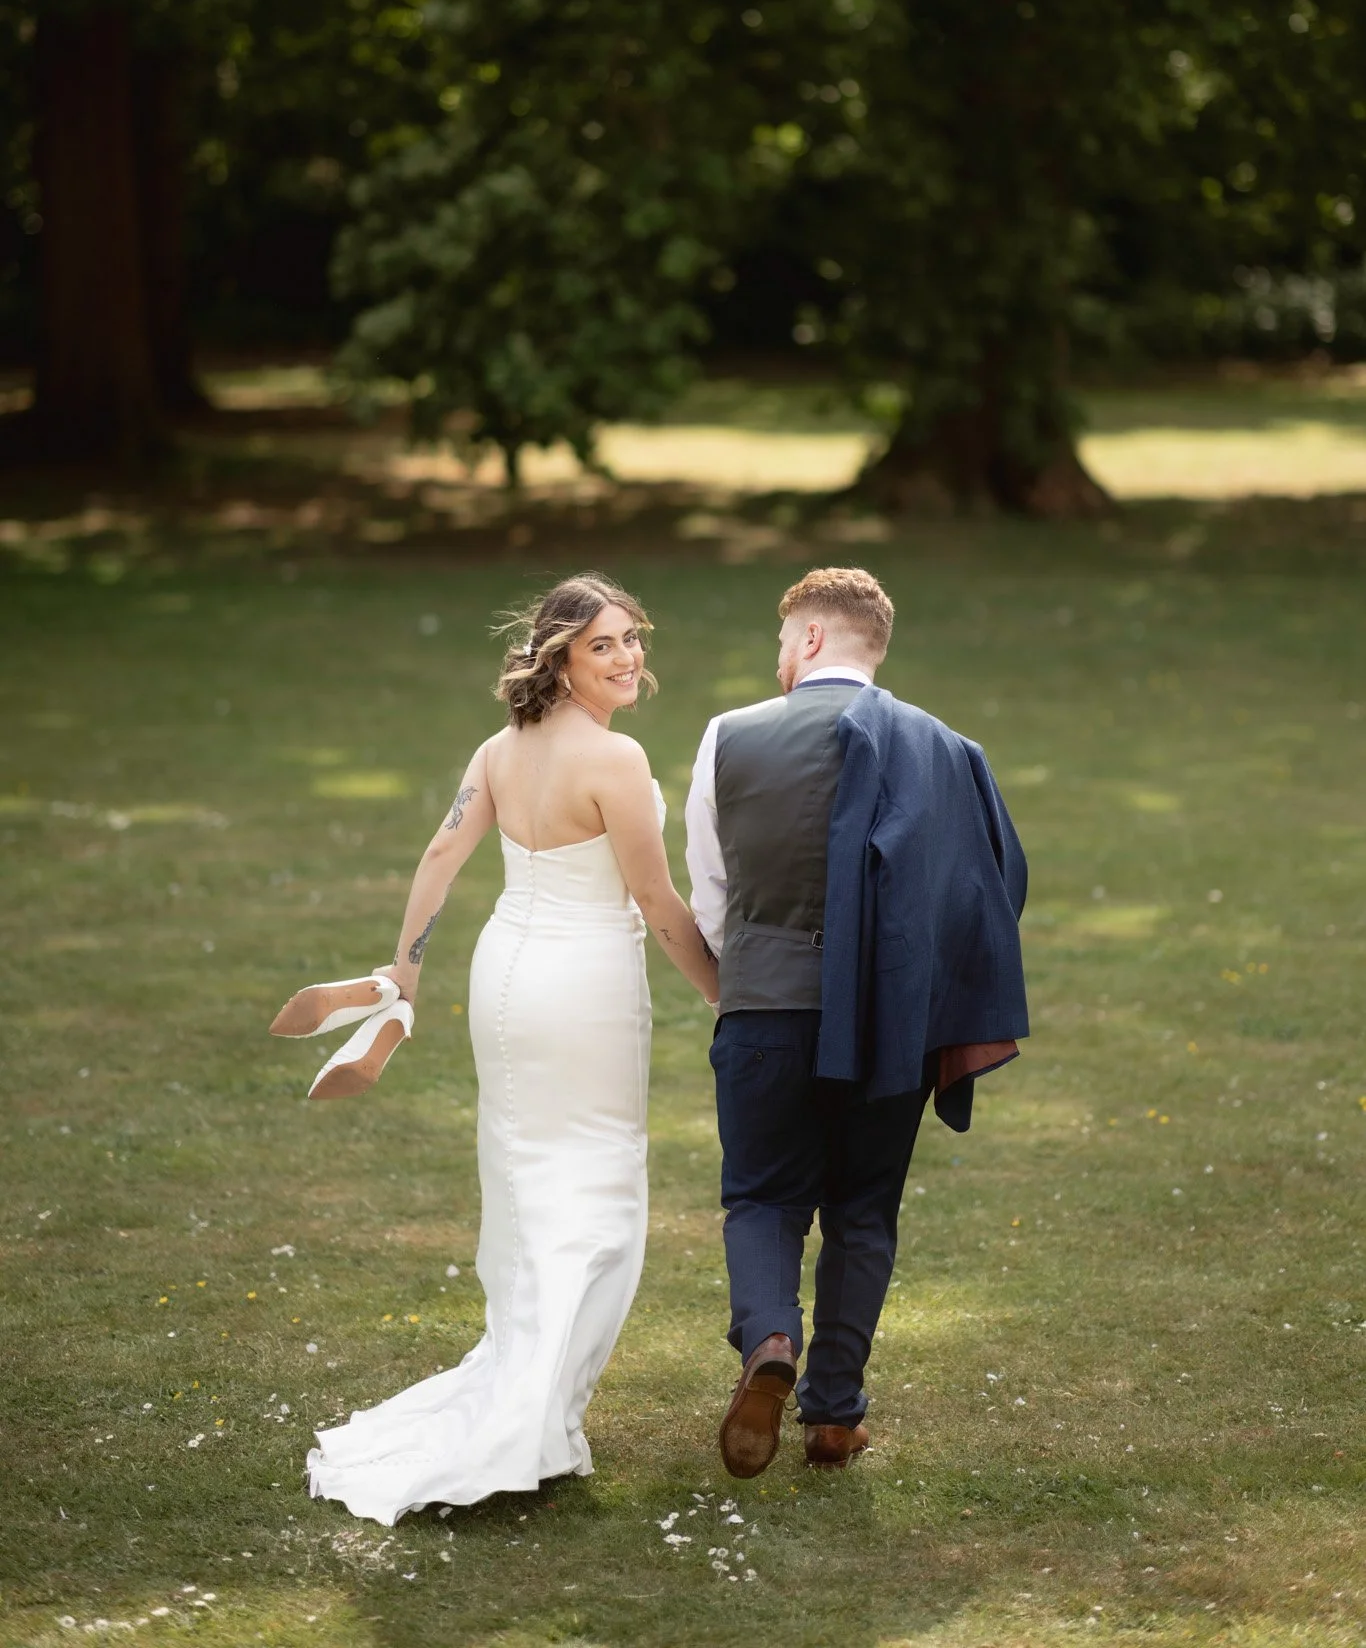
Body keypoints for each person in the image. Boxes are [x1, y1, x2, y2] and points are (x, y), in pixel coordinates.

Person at [269, 574, 718, 1524]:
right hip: (585, 986)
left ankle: (532, 1385)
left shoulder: (498, 750)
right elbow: (656, 901)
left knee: (522, 1180)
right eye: (605, 645)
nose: (630, 657)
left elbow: (439, 860)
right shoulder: (619, 760)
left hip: (503, 975)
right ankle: (538, 1417)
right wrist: (733, 998)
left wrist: (405, 977)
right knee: (595, 1190)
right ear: (559, 655)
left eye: (634, 638)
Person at [685, 566, 1028, 1479]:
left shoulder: (729, 736)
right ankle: (834, 1417)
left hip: (763, 1006)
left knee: (762, 1197)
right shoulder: (949, 751)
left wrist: (753, 977)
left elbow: (712, 895)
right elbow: (992, 889)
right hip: (890, 1025)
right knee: (864, 1210)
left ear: (805, 639)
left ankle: (768, 1343)